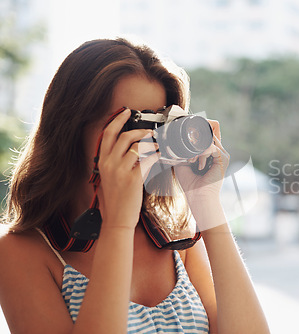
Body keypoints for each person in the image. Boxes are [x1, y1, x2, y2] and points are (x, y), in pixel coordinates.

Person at [0, 38, 270, 333]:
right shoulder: (22, 252)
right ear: (70, 129)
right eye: (133, 123)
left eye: (160, 124)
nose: (148, 142)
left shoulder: (176, 239)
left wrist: (207, 205)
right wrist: (118, 225)